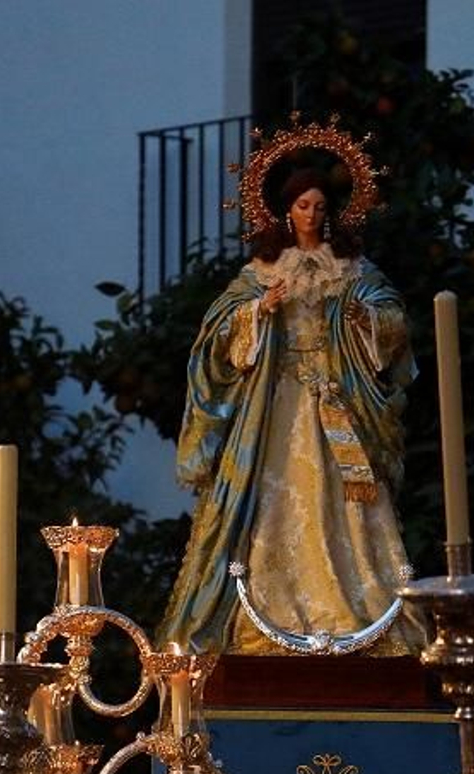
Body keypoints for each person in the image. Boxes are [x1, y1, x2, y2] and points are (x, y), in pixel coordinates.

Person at [158, 166, 421, 657]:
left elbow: (392, 320)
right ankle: (270, 614)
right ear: (286, 210)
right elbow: (215, 337)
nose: (312, 216)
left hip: (336, 398)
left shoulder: (352, 269)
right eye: (304, 206)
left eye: (321, 207)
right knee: (277, 503)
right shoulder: (260, 271)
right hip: (277, 407)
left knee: (349, 507)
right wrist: (259, 311)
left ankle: (354, 610)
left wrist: (360, 318)